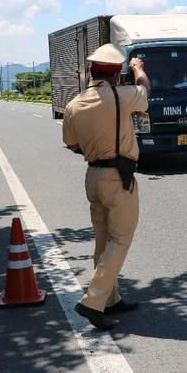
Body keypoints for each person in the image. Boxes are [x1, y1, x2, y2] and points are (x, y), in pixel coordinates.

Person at [63, 44, 150, 330]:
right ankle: (93, 300)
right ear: (115, 73)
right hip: (118, 177)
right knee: (121, 239)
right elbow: (145, 93)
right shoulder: (121, 96)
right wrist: (138, 69)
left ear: (91, 71)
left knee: (103, 239)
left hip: (93, 177)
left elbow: (72, 145)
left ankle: (110, 298)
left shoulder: (74, 104)